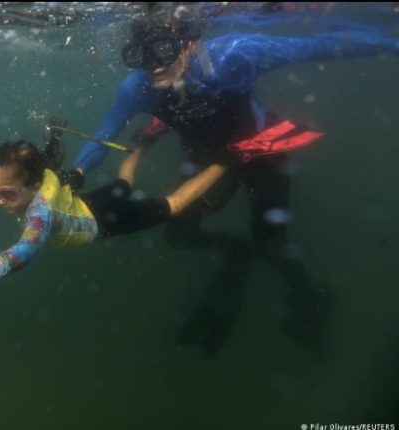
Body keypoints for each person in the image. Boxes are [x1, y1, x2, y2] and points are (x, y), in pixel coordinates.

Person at [59, 19, 399, 358]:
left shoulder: (236, 56)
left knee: (270, 243)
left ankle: (311, 295)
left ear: (191, 43)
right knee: (179, 233)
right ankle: (237, 250)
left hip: (262, 154)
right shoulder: (138, 87)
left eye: (162, 51)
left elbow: (321, 46)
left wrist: (390, 40)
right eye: (140, 55)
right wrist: (78, 170)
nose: (154, 66)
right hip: (209, 163)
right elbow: (105, 134)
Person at [0, 132, 228, 307]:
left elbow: (28, 246)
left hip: (106, 221)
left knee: (174, 205)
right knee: (123, 183)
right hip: (88, 203)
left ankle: (228, 161)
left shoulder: (40, 212)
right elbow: (46, 163)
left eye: (7, 194)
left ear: (33, 186)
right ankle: (146, 139)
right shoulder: (39, 174)